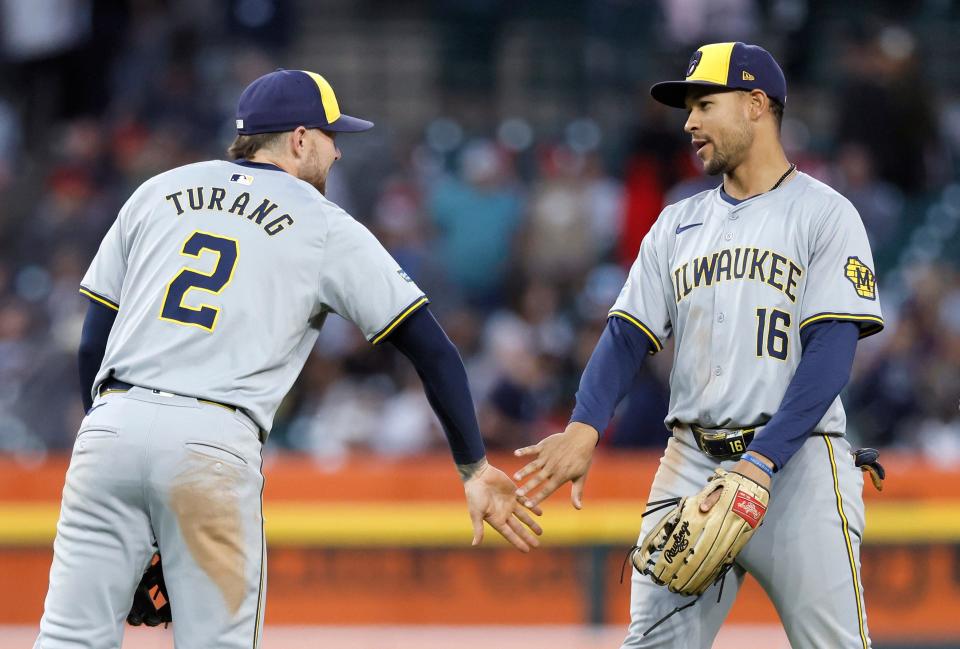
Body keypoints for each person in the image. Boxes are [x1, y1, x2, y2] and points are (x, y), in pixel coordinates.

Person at [35, 69, 542, 649]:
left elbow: (91, 340)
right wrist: (473, 467)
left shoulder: (158, 190)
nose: (337, 149)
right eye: (330, 135)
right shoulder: (322, 221)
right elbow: (432, 347)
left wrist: (109, 439)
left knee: (68, 640)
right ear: (299, 139)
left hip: (109, 426)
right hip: (211, 440)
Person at [513, 43, 883, 648]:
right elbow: (627, 332)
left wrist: (762, 463)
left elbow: (831, 355)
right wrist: (584, 425)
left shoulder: (824, 214)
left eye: (705, 104)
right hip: (692, 461)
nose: (689, 122)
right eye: (689, 107)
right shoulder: (675, 222)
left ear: (756, 105)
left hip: (797, 468)